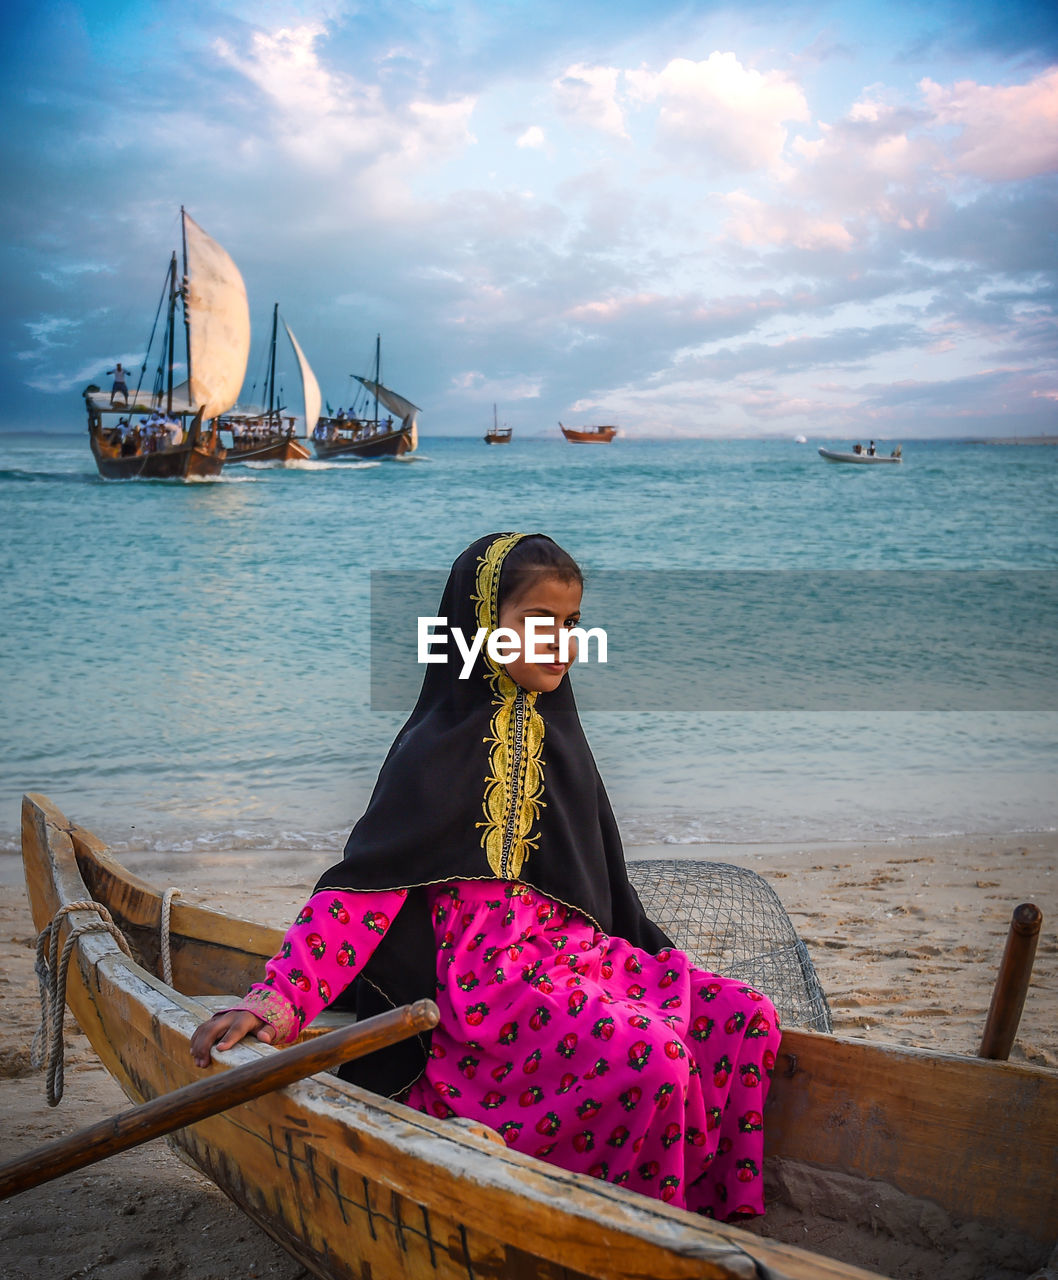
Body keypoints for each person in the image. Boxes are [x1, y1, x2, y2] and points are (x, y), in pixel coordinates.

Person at [190, 533, 781, 1219]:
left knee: (746, 1019)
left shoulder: (562, 741)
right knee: (653, 1061)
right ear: (477, 628)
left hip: (582, 968)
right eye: (539, 624)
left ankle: (708, 1221)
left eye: (571, 626)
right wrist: (276, 1002)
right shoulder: (434, 752)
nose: (562, 644)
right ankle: (628, 1232)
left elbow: (605, 890)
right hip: (490, 1000)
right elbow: (361, 897)